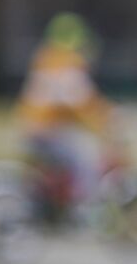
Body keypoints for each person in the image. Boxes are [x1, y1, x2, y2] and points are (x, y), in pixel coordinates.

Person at [15, 12, 123, 216]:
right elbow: (82, 102)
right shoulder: (65, 64)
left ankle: (64, 203)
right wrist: (107, 118)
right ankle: (84, 209)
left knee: (75, 150)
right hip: (45, 131)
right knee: (88, 156)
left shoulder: (47, 60)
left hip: (36, 128)